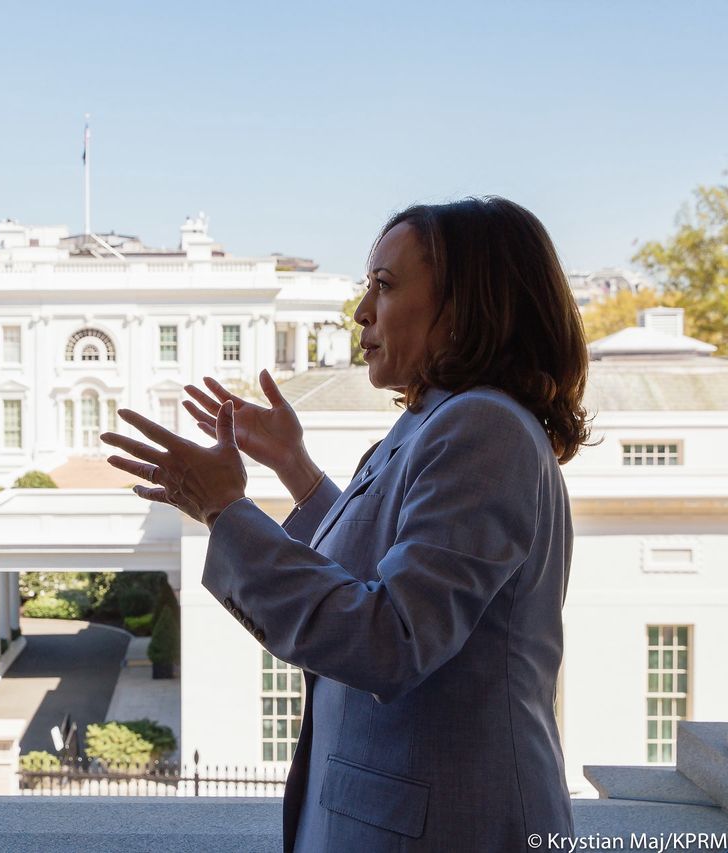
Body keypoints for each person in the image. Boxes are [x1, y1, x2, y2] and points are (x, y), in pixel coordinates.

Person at [101, 196, 588, 852]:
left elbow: (390, 638)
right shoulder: (439, 420)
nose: (360, 311)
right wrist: (296, 469)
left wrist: (225, 510)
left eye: (384, 286)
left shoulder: (483, 426)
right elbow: (380, 576)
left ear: (467, 305)